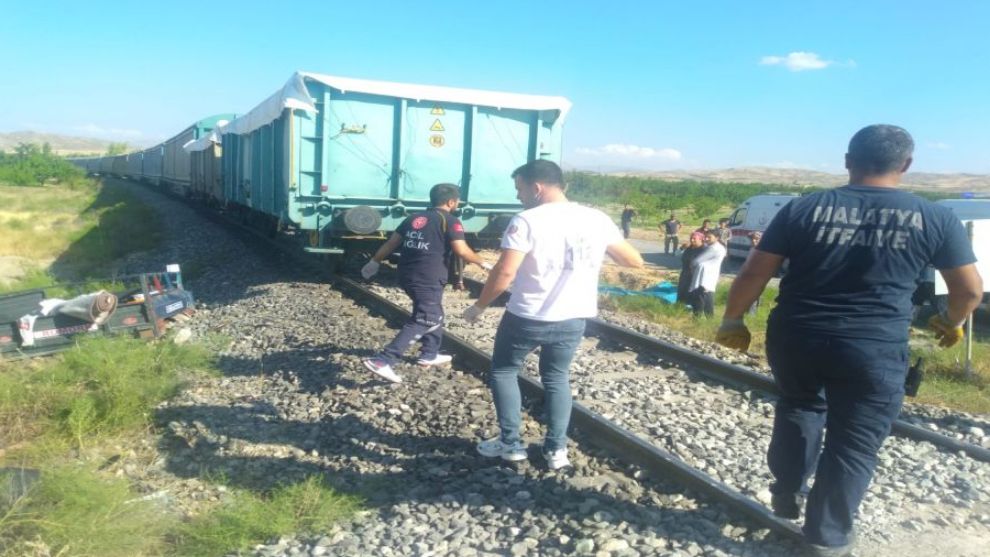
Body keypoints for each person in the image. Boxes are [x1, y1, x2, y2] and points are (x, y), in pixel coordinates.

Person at [715, 125, 983, 557]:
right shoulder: (934, 216)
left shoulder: (805, 207)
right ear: (907, 165)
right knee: (854, 439)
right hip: (873, 346)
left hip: (797, 335)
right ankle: (827, 537)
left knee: (799, 407)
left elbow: (752, 274)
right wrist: (951, 321)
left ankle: (787, 490)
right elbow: (970, 290)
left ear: (847, 160)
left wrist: (732, 319)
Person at [461, 160, 643, 469]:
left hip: (527, 315)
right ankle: (556, 450)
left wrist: (479, 306)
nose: (518, 196)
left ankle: (511, 444)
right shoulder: (596, 218)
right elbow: (634, 261)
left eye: (519, 189)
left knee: (504, 371)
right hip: (573, 316)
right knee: (557, 378)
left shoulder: (526, 220)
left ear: (536, 187)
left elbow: (505, 272)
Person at [361, 183, 493, 383]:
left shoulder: (413, 218)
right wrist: (483, 263)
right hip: (427, 277)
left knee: (434, 313)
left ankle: (429, 353)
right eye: (457, 201)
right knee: (427, 317)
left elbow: (391, 243)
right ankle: (384, 360)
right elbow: (461, 250)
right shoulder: (450, 221)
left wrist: (374, 261)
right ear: (451, 202)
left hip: (408, 274)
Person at [688, 230, 726, 317]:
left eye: (709, 237)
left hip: (705, 275)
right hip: (710, 274)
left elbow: (697, 261)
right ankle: (708, 317)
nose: (706, 239)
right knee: (707, 295)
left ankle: (698, 317)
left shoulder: (713, 248)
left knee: (700, 296)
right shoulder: (718, 247)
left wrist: (692, 265)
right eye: (706, 237)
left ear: (717, 238)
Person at [676, 232, 705, 304]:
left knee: (693, 291)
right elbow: (676, 254)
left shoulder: (704, 250)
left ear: (701, 239)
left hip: (696, 274)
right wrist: (682, 248)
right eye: (691, 238)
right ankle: (680, 306)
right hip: (685, 273)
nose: (692, 240)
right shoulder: (688, 248)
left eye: (694, 239)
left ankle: (692, 307)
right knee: (682, 290)